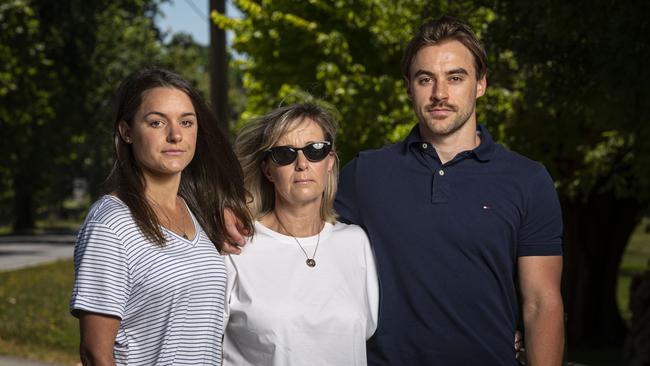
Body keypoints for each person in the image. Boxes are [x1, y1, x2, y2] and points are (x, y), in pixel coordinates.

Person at [223, 16, 564, 366]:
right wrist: (227, 210)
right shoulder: (368, 173)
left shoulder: (527, 180)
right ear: (408, 87)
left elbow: (542, 301)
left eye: (456, 78)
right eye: (425, 79)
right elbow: (296, 209)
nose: (440, 94)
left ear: (481, 84)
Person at [69, 68, 252, 365]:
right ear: (126, 131)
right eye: (156, 122)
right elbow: (95, 354)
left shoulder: (198, 214)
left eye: (186, 122)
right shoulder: (110, 224)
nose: (175, 135)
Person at [222, 102, 379, 366]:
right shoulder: (237, 247)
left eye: (315, 150)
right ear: (268, 169)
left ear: (330, 161)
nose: (302, 163)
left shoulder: (355, 243)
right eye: (285, 154)